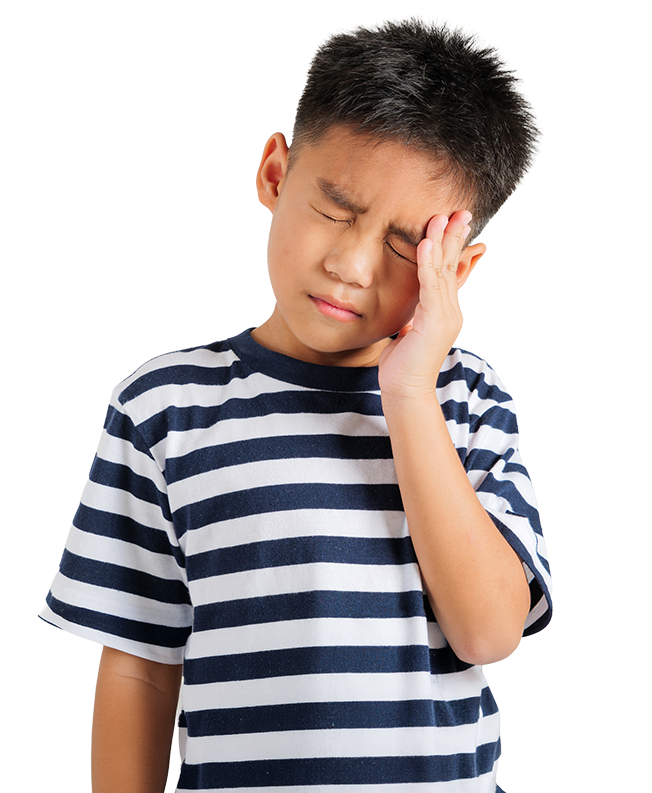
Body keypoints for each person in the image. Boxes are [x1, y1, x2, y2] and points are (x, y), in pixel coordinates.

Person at [38, 15, 553, 792]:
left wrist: (410, 390)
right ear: (276, 175)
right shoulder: (165, 410)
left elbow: (487, 629)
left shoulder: (466, 398)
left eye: (406, 245)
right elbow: (141, 665)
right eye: (336, 210)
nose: (349, 264)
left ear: (460, 264)